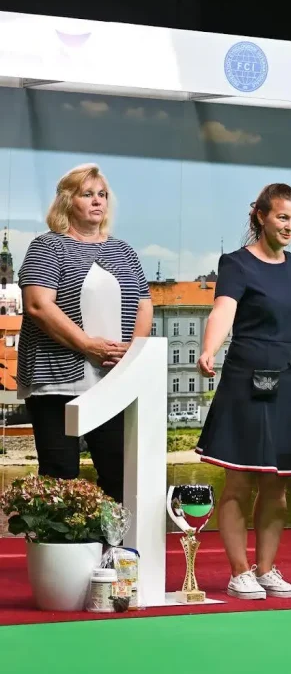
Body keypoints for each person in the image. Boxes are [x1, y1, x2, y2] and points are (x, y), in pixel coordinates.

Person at [195, 183, 291, 600]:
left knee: (279, 487)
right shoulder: (236, 264)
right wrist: (209, 348)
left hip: (289, 385)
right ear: (260, 215)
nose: (290, 226)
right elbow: (223, 312)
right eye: (282, 217)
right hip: (246, 381)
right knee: (239, 484)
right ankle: (239, 573)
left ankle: (266, 569)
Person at [17, 163, 152, 504]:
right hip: (57, 383)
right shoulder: (47, 246)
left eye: (102, 194)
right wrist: (87, 345)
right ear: (67, 201)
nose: (97, 201)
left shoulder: (124, 251)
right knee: (60, 478)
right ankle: (66, 542)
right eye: (87, 194)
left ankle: (116, 540)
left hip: (114, 382)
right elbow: (38, 305)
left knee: (121, 477)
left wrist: (131, 354)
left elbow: (144, 304)